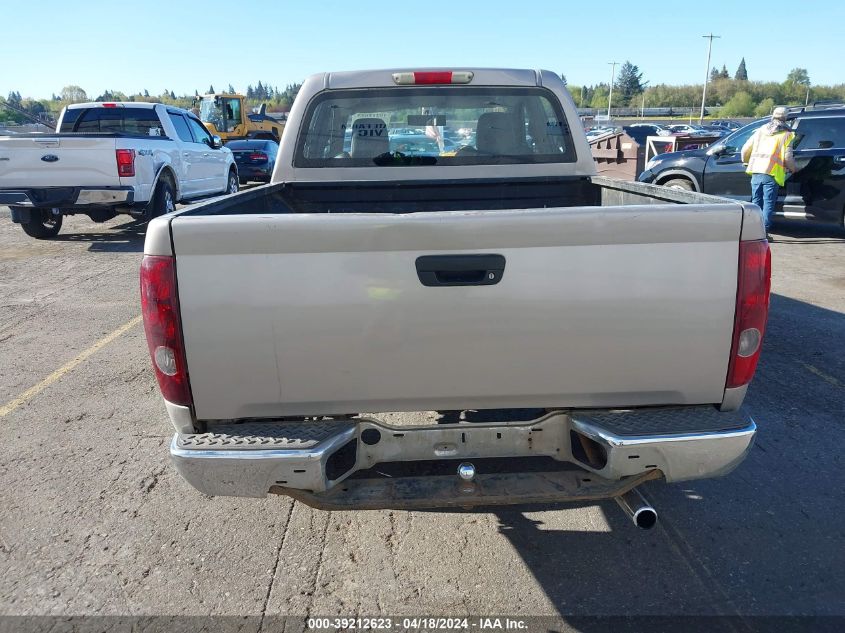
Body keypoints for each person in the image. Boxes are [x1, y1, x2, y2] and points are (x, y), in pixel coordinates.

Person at [741, 106, 798, 235]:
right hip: (772, 173)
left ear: (773, 116)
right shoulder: (787, 134)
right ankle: (763, 231)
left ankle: (753, 231)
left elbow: (745, 149)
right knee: (768, 203)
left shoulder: (761, 130)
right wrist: (794, 168)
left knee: (756, 203)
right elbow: (788, 157)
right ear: (785, 118)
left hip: (756, 171)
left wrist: (745, 161)